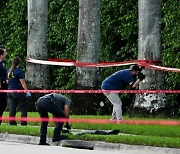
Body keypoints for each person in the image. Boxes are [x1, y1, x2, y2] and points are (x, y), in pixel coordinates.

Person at [8, 57, 31, 126]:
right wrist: (27, 91)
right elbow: (23, 83)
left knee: (12, 107)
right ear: (19, 63)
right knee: (23, 107)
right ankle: (23, 123)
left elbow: (7, 81)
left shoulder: (9, 71)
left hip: (10, 91)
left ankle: (12, 122)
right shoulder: (19, 71)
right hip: (18, 91)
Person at [0, 46, 8, 125]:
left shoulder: (2, 64)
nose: (6, 54)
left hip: (4, 89)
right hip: (1, 88)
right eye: (5, 53)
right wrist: (4, 80)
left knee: (3, 104)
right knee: (2, 104)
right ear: (1, 54)